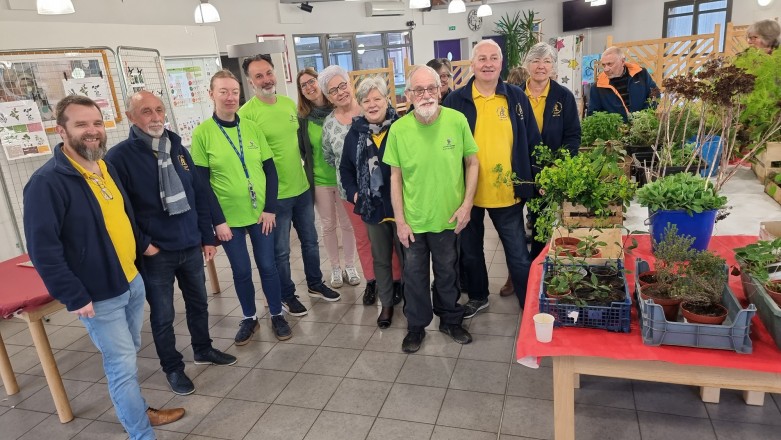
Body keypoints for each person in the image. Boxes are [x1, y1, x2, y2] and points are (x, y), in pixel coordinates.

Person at [23, 95, 185, 439]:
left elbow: (122, 214)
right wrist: (73, 295)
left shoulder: (103, 166)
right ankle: (141, 433)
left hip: (130, 279)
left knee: (130, 353)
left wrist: (142, 245)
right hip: (98, 295)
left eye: (96, 123)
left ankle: (139, 411)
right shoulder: (47, 182)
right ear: (61, 130)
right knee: (122, 366)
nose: (92, 131)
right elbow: (43, 250)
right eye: (81, 124)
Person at [106, 91, 237, 396]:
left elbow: (198, 194)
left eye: (159, 110)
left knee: (199, 303)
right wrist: (144, 243)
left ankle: (203, 349)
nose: (155, 117)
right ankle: (173, 368)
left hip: (190, 244)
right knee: (163, 315)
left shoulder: (177, 147)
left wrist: (207, 237)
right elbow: (122, 211)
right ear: (131, 117)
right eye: (146, 111)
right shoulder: (118, 157)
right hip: (156, 253)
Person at [191, 70, 292, 343]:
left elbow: (270, 171)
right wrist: (218, 221)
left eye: (234, 92)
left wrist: (270, 208)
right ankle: (249, 317)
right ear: (211, 94)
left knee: (268, 266)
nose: (230, 97)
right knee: (242, 270)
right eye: (223, 91)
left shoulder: (251, 128)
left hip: (261, 215)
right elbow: (202, 184)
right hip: (229, 219)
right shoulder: (202, 134)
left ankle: (275, 313)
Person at [384, 65, 479, 353]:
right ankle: (416, 326)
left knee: (448, 272)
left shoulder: (457, 120)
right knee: (414, 277)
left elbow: (472, 163)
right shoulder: (399, 130)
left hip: (450, 218)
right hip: (414, 221)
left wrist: (467, 205)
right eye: (418, 90)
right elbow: (395, 177)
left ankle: (450, 320)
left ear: (440, 90)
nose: (425, 95)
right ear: (408, 95)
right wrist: (400, 220)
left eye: (431, 88)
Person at [443, 39, 541, 315]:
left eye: (493, 58)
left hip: (507, 191)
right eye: (482, 58)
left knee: (518, 255)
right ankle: (478, 296)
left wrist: (534, 178)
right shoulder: (455, 100)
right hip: (467, 194)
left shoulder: (515, 97)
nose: (487, 63)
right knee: (471, 252)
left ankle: (528, 303)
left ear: (501, 64)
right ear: (472, 64)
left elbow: (532, 139)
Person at [238, 54, 340, 317]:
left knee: (310, 241)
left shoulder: (288, 105)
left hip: (302, 188)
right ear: (250, 82)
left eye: (268, 72)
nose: (266, 79)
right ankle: (287, 295)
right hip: (275, 198)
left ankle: (315, 284)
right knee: (281, 251)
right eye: (258, 76)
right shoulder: (246, 115)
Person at [320, 66, 403, 306]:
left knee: (392, 239)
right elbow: (330, 158)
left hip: (389, 193)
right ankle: (372, 282)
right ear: (328, 96)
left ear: (350, 85)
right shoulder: (330, 124)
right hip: (353, 194)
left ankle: (395, 281)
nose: (340, 92)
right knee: (364, 240)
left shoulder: (376, 113)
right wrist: (356, 188)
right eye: (333, 90)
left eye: (342, 85)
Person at [340, 76, 403, 328]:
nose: (372, 104)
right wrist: (354, 191)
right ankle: (386, 304)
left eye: (377, 98)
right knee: (381, 259)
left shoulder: (402, 127)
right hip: (372, 207)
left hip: (402, 207)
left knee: (409, 258)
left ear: (387, 99)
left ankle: (412, 302)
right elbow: (345, 169)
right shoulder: (354, 133)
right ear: (361, 105)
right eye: (366, 100)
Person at [296, 67, 358, 290]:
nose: (309, 87)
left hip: (344, 179)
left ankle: (350, 266)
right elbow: (304, 150)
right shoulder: (304, 118)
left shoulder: (340, 107)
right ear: (301, 91)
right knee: (328, 226)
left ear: (320, 82)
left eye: (312, 81)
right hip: (321, 180)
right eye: (304, 85)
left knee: (348, 224)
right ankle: (334, 267)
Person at [523, 42, 582, 256]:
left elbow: (573, 135)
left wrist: (558, 167)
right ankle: (517, 272)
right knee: (510, 225)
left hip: (550, 170)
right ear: (526, 65)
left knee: (541, 222)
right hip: (519, 168)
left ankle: (537, 265)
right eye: (536, 61)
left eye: (547, 61)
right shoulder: (514, 95)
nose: (541, 66)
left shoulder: (563, 96)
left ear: (553, 67)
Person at [587, 46, 657, 122]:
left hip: (643, 127)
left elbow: (655, 94)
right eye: (604, 65)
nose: (606, 69)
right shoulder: (598, 87)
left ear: (622, 61)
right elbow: (593, 114)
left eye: (610, 64)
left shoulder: (641, 74)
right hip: (615, 132)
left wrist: (643, 117)